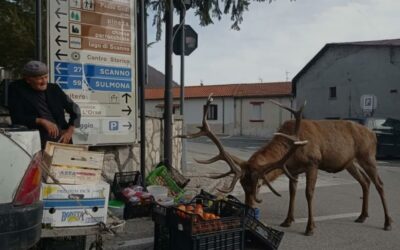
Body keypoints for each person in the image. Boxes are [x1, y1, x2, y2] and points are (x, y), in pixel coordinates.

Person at [8, 60, 81, 149]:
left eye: (46, 77)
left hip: (62, 139)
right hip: (35, 143)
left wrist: (69, 132)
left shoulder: (54, 89)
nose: (44, 81)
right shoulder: (17, 89)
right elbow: (17, 118)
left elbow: (76, 110)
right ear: (28, 79)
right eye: (40, 78)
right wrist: (41, 121)